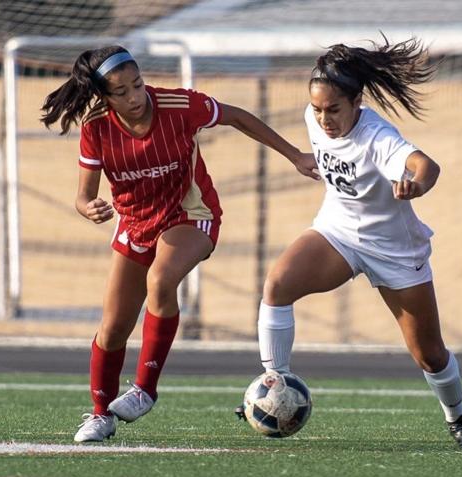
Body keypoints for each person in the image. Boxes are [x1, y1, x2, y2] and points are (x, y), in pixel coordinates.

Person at [41, 46, 319, 443]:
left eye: (137, 84)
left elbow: (237, 116)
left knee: (161, 279)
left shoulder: (178, 105)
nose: (135, 96)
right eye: (121, 91)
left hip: (192, 214)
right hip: (135, 225)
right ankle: (101, 414)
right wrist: (90, 208)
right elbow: (83, 196)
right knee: (113, 329)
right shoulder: (96, 128)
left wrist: (294, 155)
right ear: (103, 95)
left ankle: (144, 390)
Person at [238, 36, 462, 448]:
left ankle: (456, 418)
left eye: (333, 110)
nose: (324, 119)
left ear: (357, 102)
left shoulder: (376, 135)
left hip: (393, 249)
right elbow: (313, 140)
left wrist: (415, 185)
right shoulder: (314, 116)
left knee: (428, 352)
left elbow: (426, 165)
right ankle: (274, 384)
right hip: (338, 231)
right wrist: (295, 154)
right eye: (318, 109)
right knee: (278, 285)